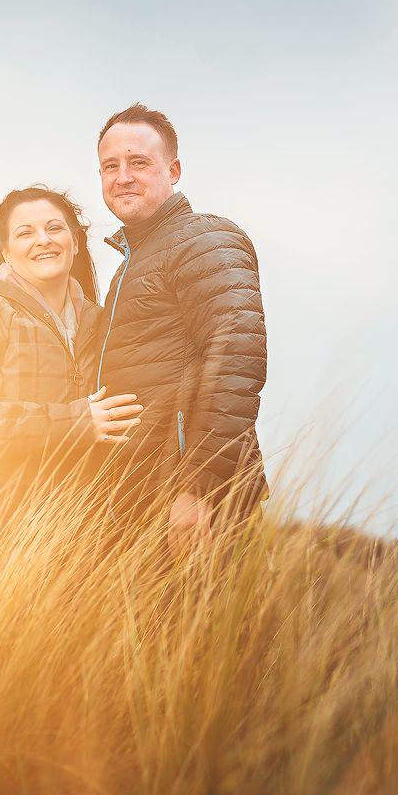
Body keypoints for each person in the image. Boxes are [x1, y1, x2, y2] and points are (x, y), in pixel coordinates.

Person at [91, 105, 268, 545]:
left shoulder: (203, 240)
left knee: (203, 617)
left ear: (173, 170)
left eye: (138, 163)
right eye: (110, 166)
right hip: (140, 496)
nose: (123, 176)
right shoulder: (132, 264)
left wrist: (197, 489)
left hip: (191, 506)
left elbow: (235, 367)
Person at [0, 185, 143, 532]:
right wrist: (78, 422)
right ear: (6, 253)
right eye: (25, 233)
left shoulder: (104, 322)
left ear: (75, 242)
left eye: (54, 228)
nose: (43, 240)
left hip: (77, 536)